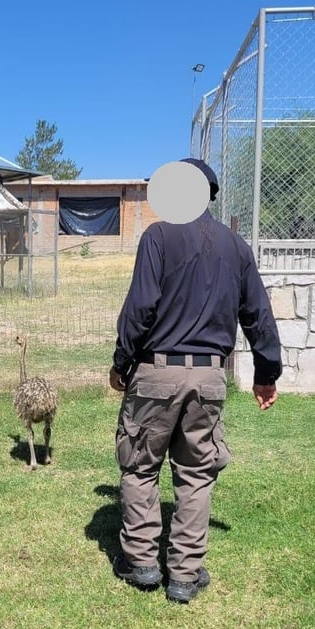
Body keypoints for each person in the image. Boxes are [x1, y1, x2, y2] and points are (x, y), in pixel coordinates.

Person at [109, 157, 281, 604]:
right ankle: (184, 574)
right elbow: (258, 315)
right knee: (197, 473)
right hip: (209, 377)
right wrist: (267, 373)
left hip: (156, 372)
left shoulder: (158, 237)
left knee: (140, 465)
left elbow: (140, 307)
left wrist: (121, 361)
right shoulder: (236, 246)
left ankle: (142, 562)